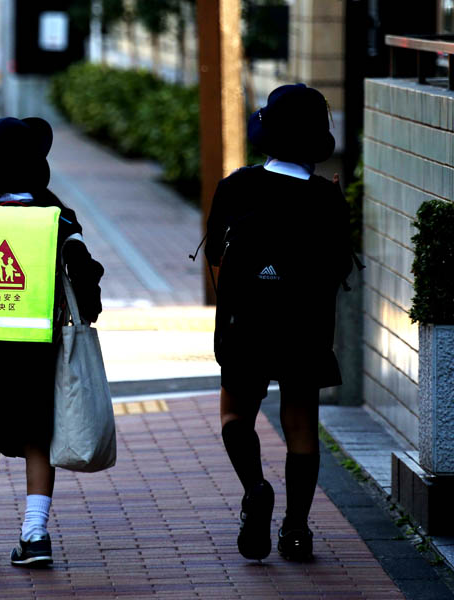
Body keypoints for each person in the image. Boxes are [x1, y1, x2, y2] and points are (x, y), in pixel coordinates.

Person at [0, 117, 105, 566]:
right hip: (38, 354)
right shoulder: (57, 219)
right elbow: (84, 274)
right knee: (37, 440)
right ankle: (35, 536)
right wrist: (89, 308)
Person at [204, 84, 353, 562]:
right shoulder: (326, 198)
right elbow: (340, 268)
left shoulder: (235, 187)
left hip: (245, 323)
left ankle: (255, 489)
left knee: (234, 415)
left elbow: (215, 256)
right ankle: (296, 530)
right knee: (301, 424)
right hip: (304, 328)